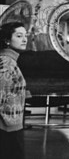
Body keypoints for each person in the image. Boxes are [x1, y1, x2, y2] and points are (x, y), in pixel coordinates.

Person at [0, 22, 28, 159]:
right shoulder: (6, 63)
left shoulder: (11, 61)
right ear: (7, 40)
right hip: (6, 129)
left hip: (12, 125)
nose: (24, 39)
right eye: (19, 36)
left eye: (25, 36)